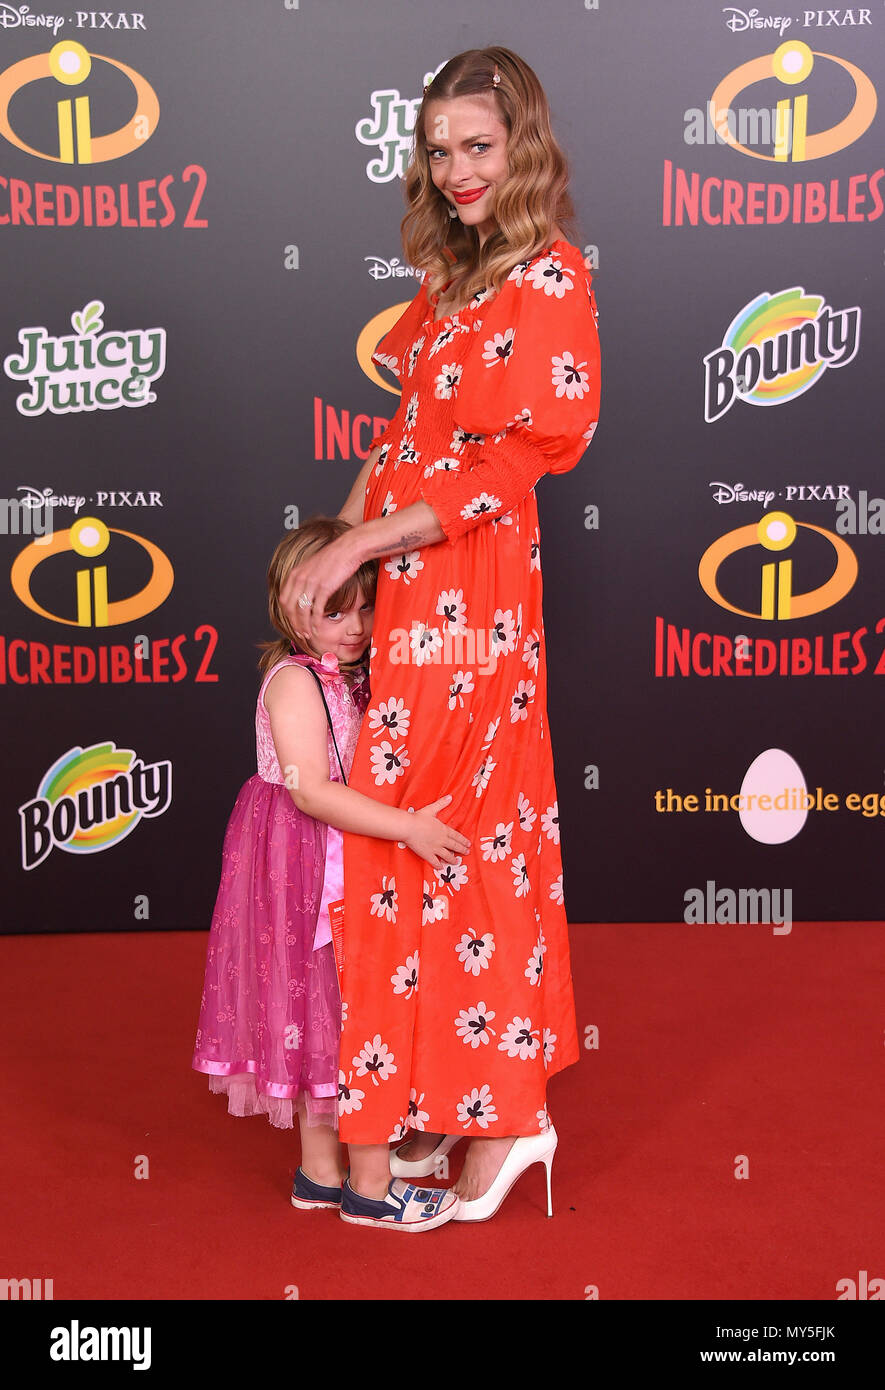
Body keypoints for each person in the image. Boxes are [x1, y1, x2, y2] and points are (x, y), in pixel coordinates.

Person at [281, 45, 601, 1227]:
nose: (459, 170)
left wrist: (366, 547)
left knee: (464, 834)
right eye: (439, 150)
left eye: (479, 145)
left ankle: (510, 1116)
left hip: (474, 596)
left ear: (522, 143)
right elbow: (406, 432)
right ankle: (438, 1094)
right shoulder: (452, 273)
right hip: (408, 592)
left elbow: (519, 458)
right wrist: (335, 550)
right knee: (403, 837)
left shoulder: (552, 276)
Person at [192, 517, 470, 1230]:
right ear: (290, 606)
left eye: (366, 607)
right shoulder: (294, 682)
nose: (354, 627)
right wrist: (409, 828)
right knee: (344, 1013)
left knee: (325, 1012)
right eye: (333, 609)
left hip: (329, 856)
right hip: (305, 863)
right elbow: (311, 790)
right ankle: (369, 1188)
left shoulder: (339, 674)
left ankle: (319, 1175)